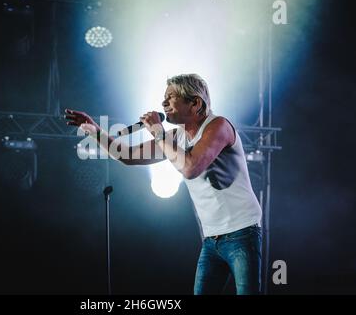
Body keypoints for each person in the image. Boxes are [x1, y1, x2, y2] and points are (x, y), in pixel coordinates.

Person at [64, 74, 262, 295]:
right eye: (163, 98)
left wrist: (159, 132)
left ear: (195, 103)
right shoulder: (176, 136)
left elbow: (189, 168)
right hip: (211, 238)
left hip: (242, 232)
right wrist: (93, 129)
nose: (163, 103)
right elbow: (127, 155)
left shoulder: (219, 126)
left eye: (170, 97)